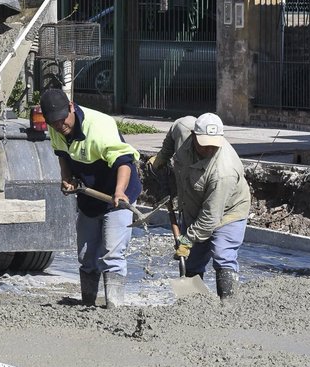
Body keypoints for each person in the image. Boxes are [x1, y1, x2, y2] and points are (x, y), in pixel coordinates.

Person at [40, 88, 141, 308]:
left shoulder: (99, 126)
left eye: (62, 120)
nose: (60, 126)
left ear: (71, 107)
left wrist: (119, 191)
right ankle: (88, 303)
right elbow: (63, 155)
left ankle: (114, 308)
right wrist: (67, 179)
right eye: (54, 122)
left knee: (112, 255)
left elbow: (124, 162)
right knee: (86, 256)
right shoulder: (56, 127)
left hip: (117, 195)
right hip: (90, 196)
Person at [148, 113, 251, 299]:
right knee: (192, 260)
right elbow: (175, 127)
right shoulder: (184, 129)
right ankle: (193, 305)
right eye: (205, 143)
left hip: (228, 211)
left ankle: (228, 304)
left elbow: (210, 217)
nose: (210, 148)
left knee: (222, 253)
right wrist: (163, 156)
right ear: (194, 135)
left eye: (214, 143)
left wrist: (187, 240)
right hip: (193, 205)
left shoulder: (224, 171)